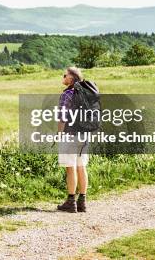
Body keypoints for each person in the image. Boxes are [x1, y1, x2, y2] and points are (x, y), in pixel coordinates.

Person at [56, 66, 89, 213]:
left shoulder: (67, 95)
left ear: (71, 79)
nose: (63, 77)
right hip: (84, 134)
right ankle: (82, 202)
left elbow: (63, 117)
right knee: (81, 166)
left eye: (65, 75)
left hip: (70, 134)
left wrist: (60, 134)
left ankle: (71, 202)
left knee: (71, 167)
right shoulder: (86, 93)